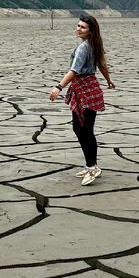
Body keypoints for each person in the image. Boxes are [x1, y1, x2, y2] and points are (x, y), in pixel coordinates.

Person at [48, 13, 114, 185]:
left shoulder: (85, 47)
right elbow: (102, 64)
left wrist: (58, 86)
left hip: (86, 89)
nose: (78, 29)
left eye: (83, 27)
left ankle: (93, 167)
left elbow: (75, 70)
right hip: (87, 88)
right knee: (80, 128)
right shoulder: (92, 44)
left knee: (85, 130)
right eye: (78, 26)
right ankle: (90, 165)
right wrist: (108, 80)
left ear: (91, 31)